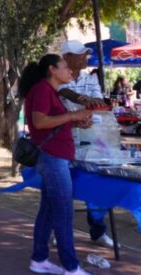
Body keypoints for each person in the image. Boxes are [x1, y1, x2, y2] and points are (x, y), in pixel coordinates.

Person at [19, 53, 96, 275]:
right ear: (52, 69)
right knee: (63, 212)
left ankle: (39, 259)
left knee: (49, 211)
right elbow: (39, 121)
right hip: (52, 158)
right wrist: (73, 116)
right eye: (65, 66)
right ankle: (71, 267)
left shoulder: (49, 91)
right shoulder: (43, 90)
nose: (70, 71)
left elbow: (52, 124)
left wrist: (76, 122)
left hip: (55, 156)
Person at [58, 39, 114, 249]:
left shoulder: (91, 78)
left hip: (91, 138)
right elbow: (65, 94)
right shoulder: (58, 78)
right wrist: (84, 101)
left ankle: (98, 230)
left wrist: (89, 106)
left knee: (96, 186)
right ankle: (59, 230)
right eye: (79, 54)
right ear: (67, 58)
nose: (84, 58)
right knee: (63, 189)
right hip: (64, 141)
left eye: (85, 54)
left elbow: (97, 103)